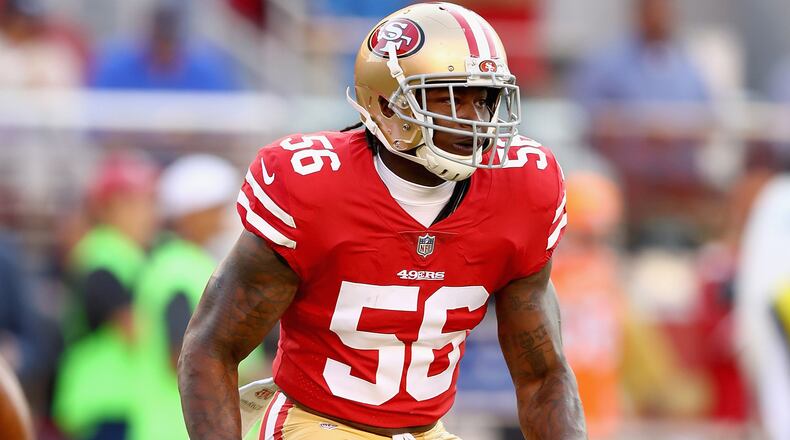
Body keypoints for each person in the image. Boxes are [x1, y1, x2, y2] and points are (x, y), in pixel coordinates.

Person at [178, 3, 586, 440]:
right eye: (449, 97)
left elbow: (544, 376)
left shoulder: (521, 188)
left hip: (427, 431)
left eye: (483, 98)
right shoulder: (315, 188)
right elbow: (210, 349)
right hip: (316, 423)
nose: (474, 120)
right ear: (387, 104)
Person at [130, 154, 263, 440]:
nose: (223, 217)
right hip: (179, 426)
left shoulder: (188, 261)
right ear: (192, 213)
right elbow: (179, 354)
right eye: (215, 209)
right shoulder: (178, 268)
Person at [53, 152, 158, 440]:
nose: (148, 213)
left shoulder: (123, 256)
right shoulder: (104, 258)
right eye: (136, 203)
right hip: (107, 399)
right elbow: (135, 331)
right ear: (109, 208)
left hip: (115, 400)